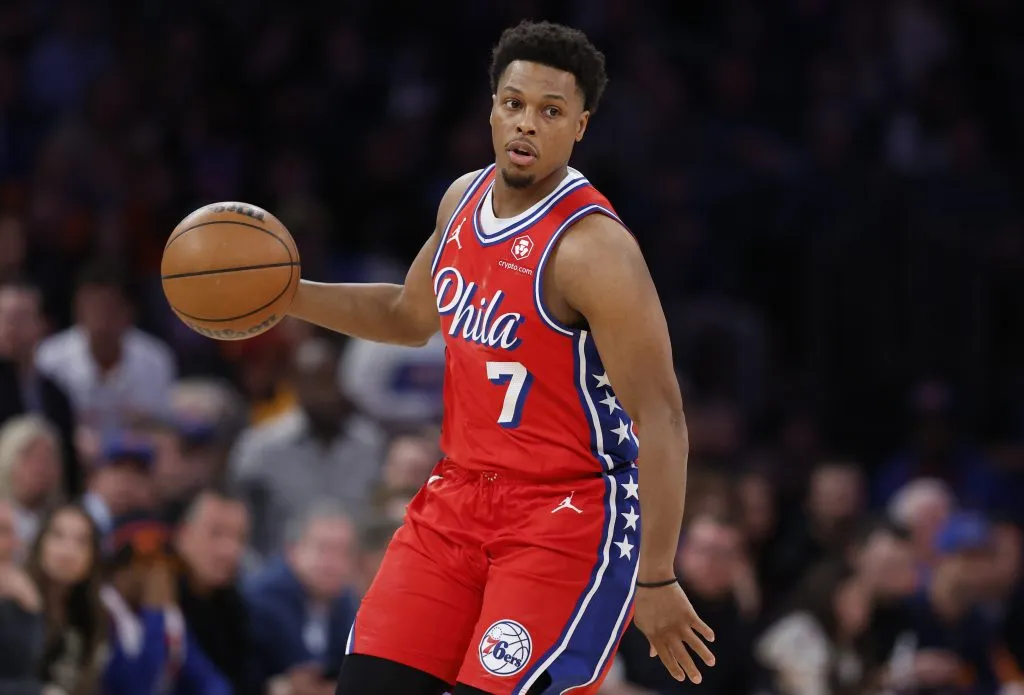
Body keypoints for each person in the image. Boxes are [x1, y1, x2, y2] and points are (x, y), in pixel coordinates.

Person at [286, 20, 714, 695]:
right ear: (491, 108)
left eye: (551, 111)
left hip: (564, 514)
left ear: (580, 126)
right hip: (457, 497)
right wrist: (288, 293)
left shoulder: (595, 251)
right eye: (513, 104)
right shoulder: (462, 198)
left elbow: (662, 417)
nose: (526, 124)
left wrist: (656, 573)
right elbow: (406, 314)